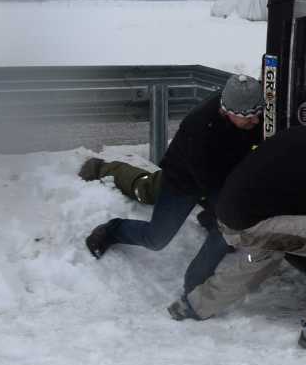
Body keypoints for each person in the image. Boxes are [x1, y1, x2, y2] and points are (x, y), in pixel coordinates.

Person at [177, 104, 306, 348]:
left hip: (229, 215)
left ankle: (195, 305)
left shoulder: (301, 134)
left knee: (268, 253)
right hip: (250, 225)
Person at [83, 74, 264, 298]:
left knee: (224, 229)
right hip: (184, 180)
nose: (256, 121)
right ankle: (113, 230)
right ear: (228, 112)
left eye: (258, 114)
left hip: (225, 174)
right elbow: (209, 184)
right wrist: (224, 212)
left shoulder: (251, 108)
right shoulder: (199, 129)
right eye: (248, 117)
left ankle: (194, 289)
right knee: (157, 238)